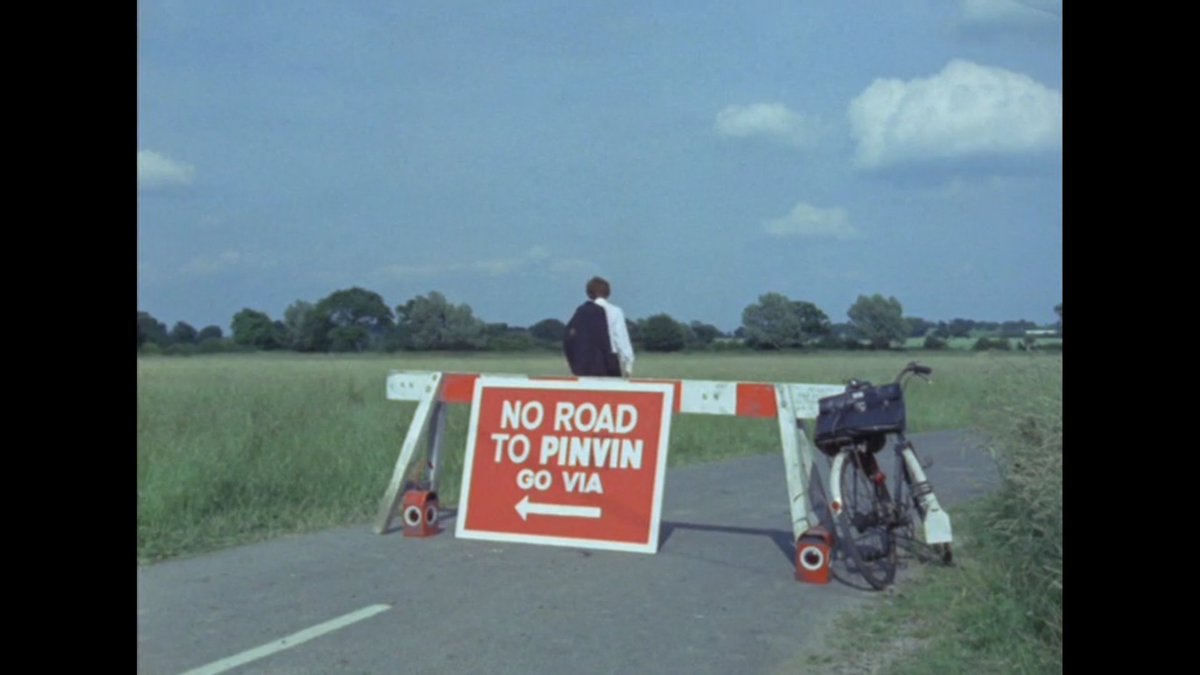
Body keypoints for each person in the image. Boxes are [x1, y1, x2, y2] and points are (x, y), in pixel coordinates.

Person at [563, 276, 635, 378]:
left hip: (586, 361)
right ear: (608, 293)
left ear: (589, 293)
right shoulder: (615, 311)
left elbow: (571, 337)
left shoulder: (582, 311)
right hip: (608, 360)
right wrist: (628, 365)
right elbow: (621, 338)